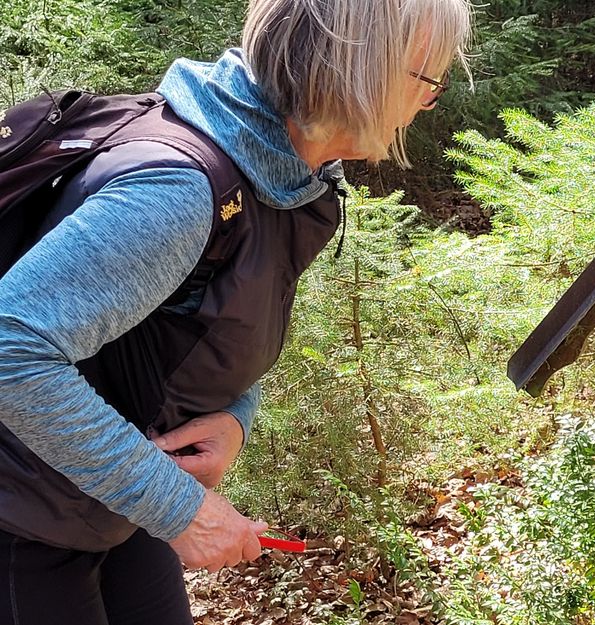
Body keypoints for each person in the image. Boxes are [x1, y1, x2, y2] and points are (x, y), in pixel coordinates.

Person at [0, 0, 471, 623]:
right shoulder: (180, 190)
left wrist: (234, 417)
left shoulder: (291, 183)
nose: (429, 103)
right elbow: (10, 346)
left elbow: (217, 333)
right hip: (21, 517)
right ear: (362, 73)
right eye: (426, 80)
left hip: (106, 500)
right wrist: (180, 509)